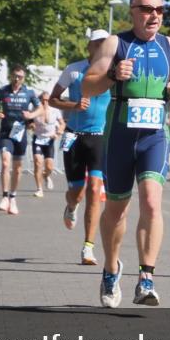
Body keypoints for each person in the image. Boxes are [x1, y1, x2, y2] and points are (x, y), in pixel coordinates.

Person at [83, 0, 170, 307]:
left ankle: (146, 279)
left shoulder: (169, 45)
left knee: (152, 202)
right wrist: (113, 75)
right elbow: (88, 84)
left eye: (160, 10)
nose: (154, 15)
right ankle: (111, 268)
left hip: (154, 135)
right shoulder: (115, 44)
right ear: (133, 11)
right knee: (117, 210)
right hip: (119, 136)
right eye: (147, 9)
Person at [51, 29, 113, 265]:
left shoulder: (113, 72)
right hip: (74, 136)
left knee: (95, 189)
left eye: (104, 44)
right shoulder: (74, 69)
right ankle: (71, 205)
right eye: (96, 44)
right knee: (77, 193)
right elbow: (52, 99)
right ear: (89, 46)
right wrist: (73, 105)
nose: (100, 48)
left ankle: (88, 247)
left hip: (99, 137)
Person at [0, 64, 40, 215]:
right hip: (6, 132)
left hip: (20, 132)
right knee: (5, 163)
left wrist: (31, 115)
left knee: (18, 168)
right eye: (15, 76)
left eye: (20, 77)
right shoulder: (3, 91)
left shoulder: (29, 92)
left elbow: (40, 108)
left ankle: (13, 197)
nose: (17, 79)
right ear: (11, 76)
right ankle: (4, 197)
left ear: (23, 78)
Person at [31, 92, 65, 198]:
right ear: (39, 100)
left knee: (49, 167)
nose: (45, 102)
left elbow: (62, 123)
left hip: (49, 140)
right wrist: (31, 125)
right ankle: (39, 189)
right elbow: (28, 122)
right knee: (38, 163)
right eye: (43, 100)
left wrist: (59, 132)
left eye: (47, 100)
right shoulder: (34, 110)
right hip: (38, 139)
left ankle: (46, 175)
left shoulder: (55, 110)